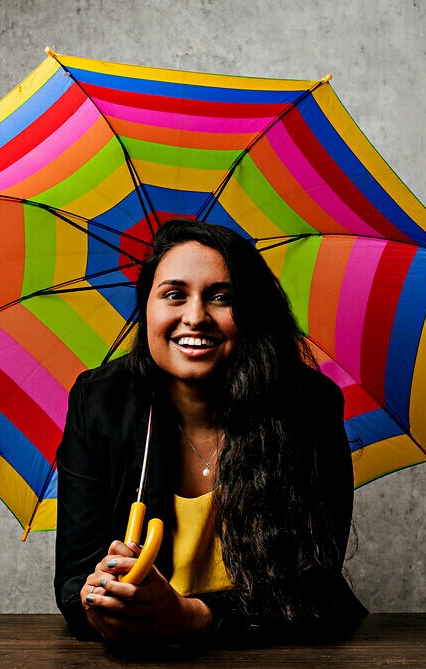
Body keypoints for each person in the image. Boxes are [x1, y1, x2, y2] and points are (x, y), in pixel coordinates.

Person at [54, 219, 366, 644]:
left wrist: (192, 617)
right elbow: (73, 583)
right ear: (146, 308)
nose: (195, 317)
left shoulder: (308, 407)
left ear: (251, 313)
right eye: (174, 295)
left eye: (221, 297)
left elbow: (315, 591)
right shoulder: (99, 404)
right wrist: (102, 603)